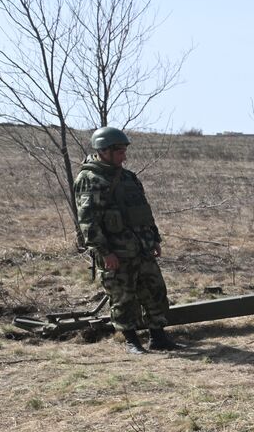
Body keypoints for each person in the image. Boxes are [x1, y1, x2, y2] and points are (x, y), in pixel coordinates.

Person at [73, 127, 180, 354]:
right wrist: (104, 252)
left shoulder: (128, 177)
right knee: (123, 298)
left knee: (155, 292)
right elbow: (88, 222)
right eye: (119, 151)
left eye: (124, 151)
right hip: (116, 253)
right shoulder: (90, 179)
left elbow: (143, 211)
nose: (124, 156)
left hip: (141, 249)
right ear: (104, 151)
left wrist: (154, 239)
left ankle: (158, 337)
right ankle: (131, 341)